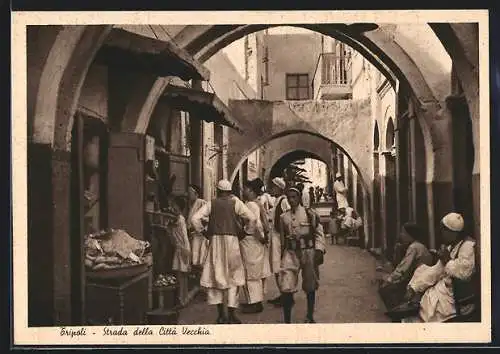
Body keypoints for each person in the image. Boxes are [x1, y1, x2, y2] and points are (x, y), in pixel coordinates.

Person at [191, 179, 258, 324]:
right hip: (232, 242)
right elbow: (252, 218)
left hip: (215, 243)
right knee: (233, 277)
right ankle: (232, 315)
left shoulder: (212, 203)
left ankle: (221, 315)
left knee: (217, 276)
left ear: (217, 191)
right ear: (229, 192)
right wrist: (246, 232)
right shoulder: (236, 202)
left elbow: (195, 218)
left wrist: (203, 232)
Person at [403, 212, 477, 323]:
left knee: (428, 303)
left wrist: (447, 260)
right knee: (421, 270)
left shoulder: (467, 246)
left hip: (455, 292)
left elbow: (465, 274)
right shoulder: (451, 245)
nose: (442, 233)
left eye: (444, 230)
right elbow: (437, 270)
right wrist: (415, 287)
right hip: (446, 285)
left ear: (452, 232)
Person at [278, 186, 326, 323]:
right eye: (289, 197)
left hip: (308, 252)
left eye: (294, 197)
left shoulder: (310, 214)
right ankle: (287, 321)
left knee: (310, 284)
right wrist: (280, 255)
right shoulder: (283, 217)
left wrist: (319, 250)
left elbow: (319, 233)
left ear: (299, 198)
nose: (291, 200)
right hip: (290, 253)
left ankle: (309, 316)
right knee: (286, 285)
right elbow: (282, 239)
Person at [379, 222, 434, 310]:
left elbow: (403, 268)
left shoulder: (413, 247)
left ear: (410, 235)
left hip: (415, 281)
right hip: (421, 278)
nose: (401, 235)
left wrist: (389, 279)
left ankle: (396, 313)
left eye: (404, 233)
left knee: (384, 290)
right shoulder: (419, 246)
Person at [239, 179, 272, 314]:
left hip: (251, 241)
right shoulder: (255, 203)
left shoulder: (251, 205)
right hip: (253, 242)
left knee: (251, 274)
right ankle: (253, 301)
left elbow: (256, 224)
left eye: (245, 189)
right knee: (252, 273)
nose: (243, 191)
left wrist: (247, 233)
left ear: (251, 191)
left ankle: (255, 303)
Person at [266, 177, 291, 306]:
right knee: (276, 266)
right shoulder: (277, 201)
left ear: (279, 188)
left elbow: (288, 221)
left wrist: (284, 240)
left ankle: (286, 295)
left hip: (279, 238)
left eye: (273, 187)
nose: (271, 189)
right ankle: (283, 294)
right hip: (275, 236)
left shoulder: (283, 201)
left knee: (280, 266)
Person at [168, 196, 191, 307]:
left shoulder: (180, 219)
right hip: (181, 248)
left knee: (181, 276)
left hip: (182, 249)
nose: (172, 207)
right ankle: (183, 299)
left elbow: (184, 236)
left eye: (174, 205)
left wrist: (187, 251)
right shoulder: (177, 218)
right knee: (182, 275)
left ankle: (182, 300)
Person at [187, 184, 209, 270]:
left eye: (190, 193)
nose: (188, 195)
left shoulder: (201, 202)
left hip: (199, 235)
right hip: (192, 235)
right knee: (193, 258)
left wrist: (197, 227)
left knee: (200, 258)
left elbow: (206, 218)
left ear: (196, 194)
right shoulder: (190, 205)